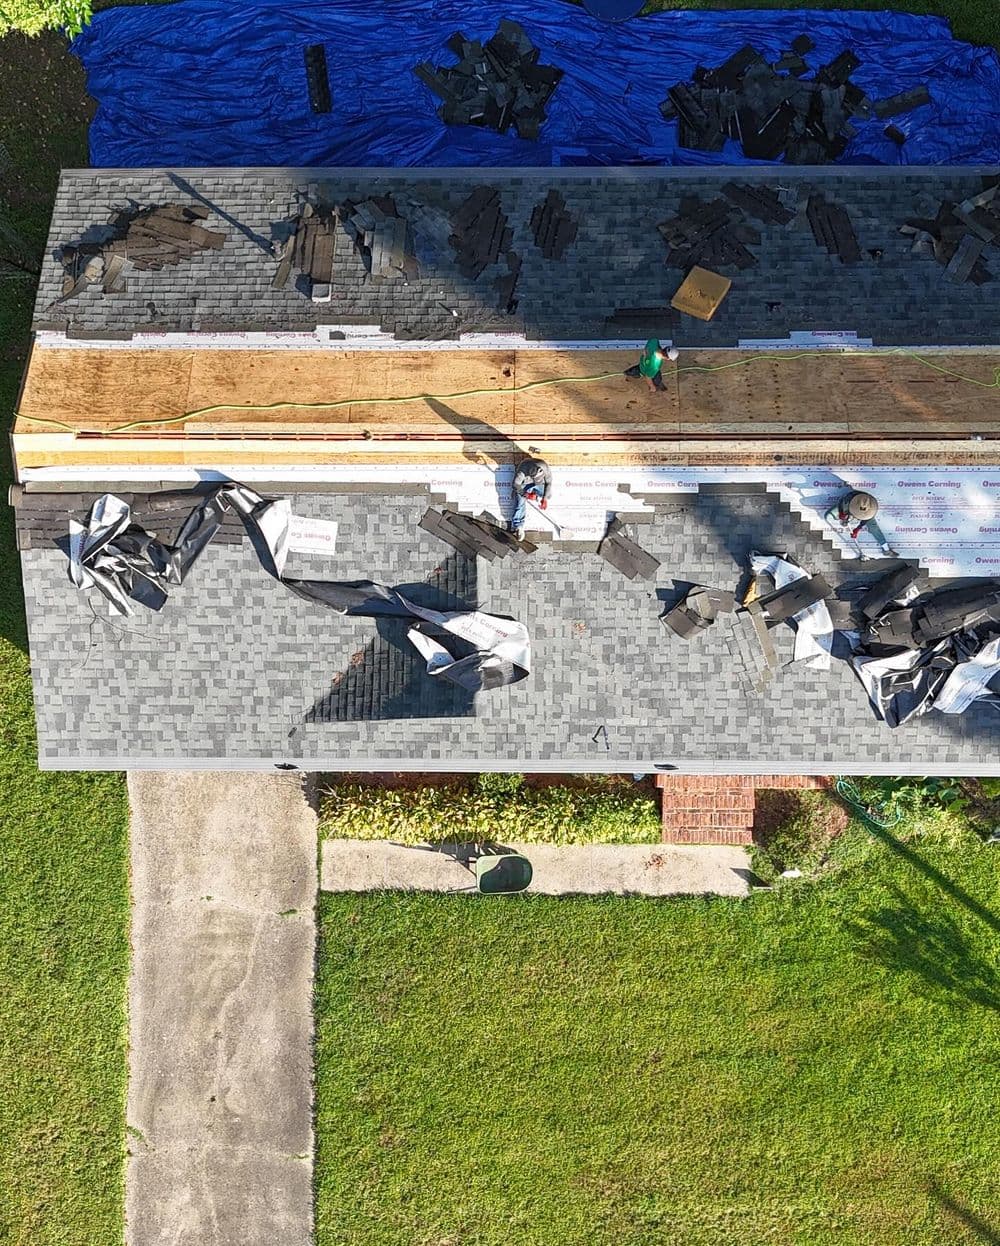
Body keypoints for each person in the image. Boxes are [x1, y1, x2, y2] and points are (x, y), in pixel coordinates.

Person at [824, 490, 896, 556]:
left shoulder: (870, 506)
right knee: (828, 516)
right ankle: (844, 518)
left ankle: (886, 549)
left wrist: (857, 529)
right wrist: (841, 514)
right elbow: (840, 503)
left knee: (874, 527)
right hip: (847, 510)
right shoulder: (848, 500)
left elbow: (866, 519)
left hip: (859, 514)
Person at [509, 456, 553, 540]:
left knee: (548, 494)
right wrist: (526, 495)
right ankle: (518, 526)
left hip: (539, 484)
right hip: (524, 485)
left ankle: (536, 495)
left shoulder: (544, 467)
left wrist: (545, 499)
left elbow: (549, 482)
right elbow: (515, 485)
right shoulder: (522, 472)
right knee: (520, 502)